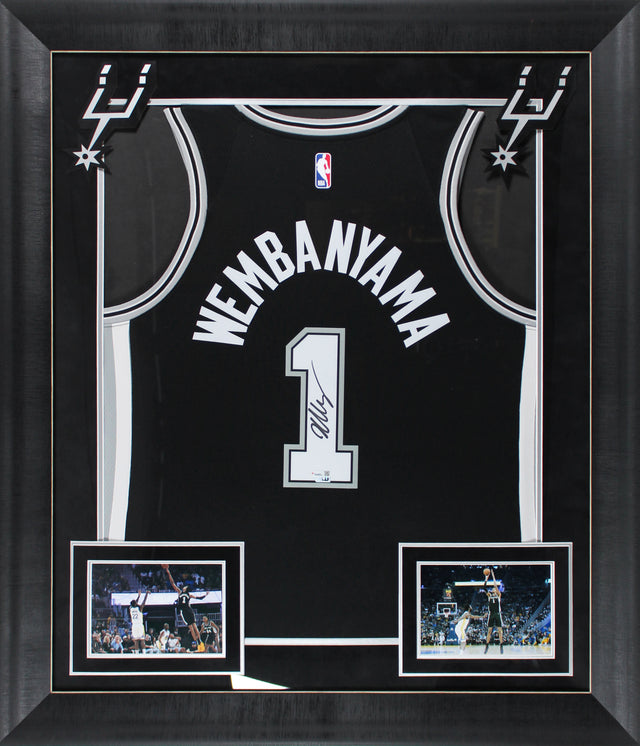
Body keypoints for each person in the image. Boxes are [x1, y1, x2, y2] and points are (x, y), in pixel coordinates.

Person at [164, 566, 207, 651]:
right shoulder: (180, 592)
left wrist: (205, 595)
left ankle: (199, 641)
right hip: (184, 611)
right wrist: (168, 572)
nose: (184, 587)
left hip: (187, 610)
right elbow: (172, 583)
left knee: (194, 626)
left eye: (185, 587)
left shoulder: (188, 594)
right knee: (191, 627)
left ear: (186, 589)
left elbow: (199, 598)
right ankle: (197, 642)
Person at [483, 569, 504, 654]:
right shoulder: (489, 596)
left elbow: (495, 585)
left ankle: (501, 645)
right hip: (491, 614)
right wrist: (486, 578)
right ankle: (487, 645)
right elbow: (484, 588)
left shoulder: (498, 595)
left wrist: (492, 574)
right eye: (493, 589)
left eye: (495, 589)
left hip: (497, 614)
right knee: (489, 631)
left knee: (500, 630)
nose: (493, 589)